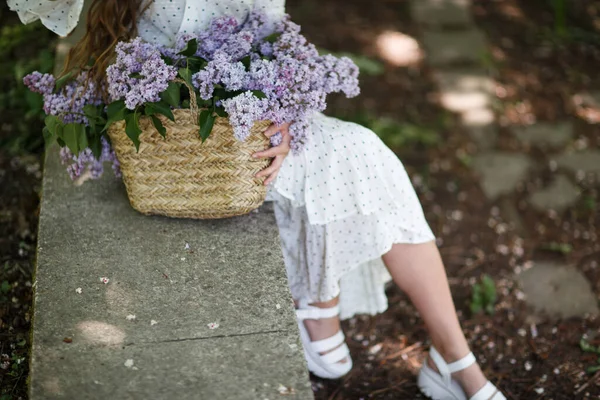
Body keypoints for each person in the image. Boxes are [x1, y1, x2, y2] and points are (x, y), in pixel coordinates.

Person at [8, 1, 507, 399]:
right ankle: (325, 308)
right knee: (354, 158)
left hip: (239, 125)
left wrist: (284, 118)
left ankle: (451, 356)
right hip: (166, 139)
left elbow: (273, 47)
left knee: (363, 156)